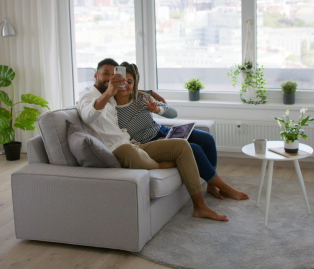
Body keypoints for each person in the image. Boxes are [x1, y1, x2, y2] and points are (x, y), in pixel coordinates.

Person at [76, 58, 229, 221]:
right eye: (106, 74)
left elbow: (133, 92)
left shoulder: (116, 96)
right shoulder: (90, 97)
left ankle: (202, 204)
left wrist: (154, 101)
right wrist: (110, 92)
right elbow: (88, 116)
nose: (111, 79)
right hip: (130, 145)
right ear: (95, 76)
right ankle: (202, 183)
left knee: (193, 142)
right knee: (194, 149)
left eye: (115, 76)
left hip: (140, 141)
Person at [114, 61, 249, 201]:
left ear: (135, 83)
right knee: (194, 149)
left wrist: (156, 109)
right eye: (121, 81)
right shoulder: (110, 107)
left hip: (163, 131)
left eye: (129, 82)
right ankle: (224, 187)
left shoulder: (142, 98)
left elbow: (173, 113)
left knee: (206, 138)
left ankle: (211, 184)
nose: (125, 86)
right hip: (150, 143)